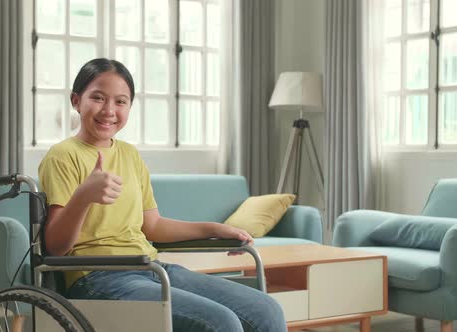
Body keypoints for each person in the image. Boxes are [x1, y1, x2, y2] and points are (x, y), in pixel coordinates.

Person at [38, 58, 287, 332]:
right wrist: (84, 195)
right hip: (97, 278)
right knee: (220, 323)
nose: (109, 110)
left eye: (120, 102)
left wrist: (214, 229)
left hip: (150, 267)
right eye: (98, 98)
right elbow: (55, 247)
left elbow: (153, 225)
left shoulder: (129, 154)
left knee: (266, 310)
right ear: (76, 100)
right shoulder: (62, 156)